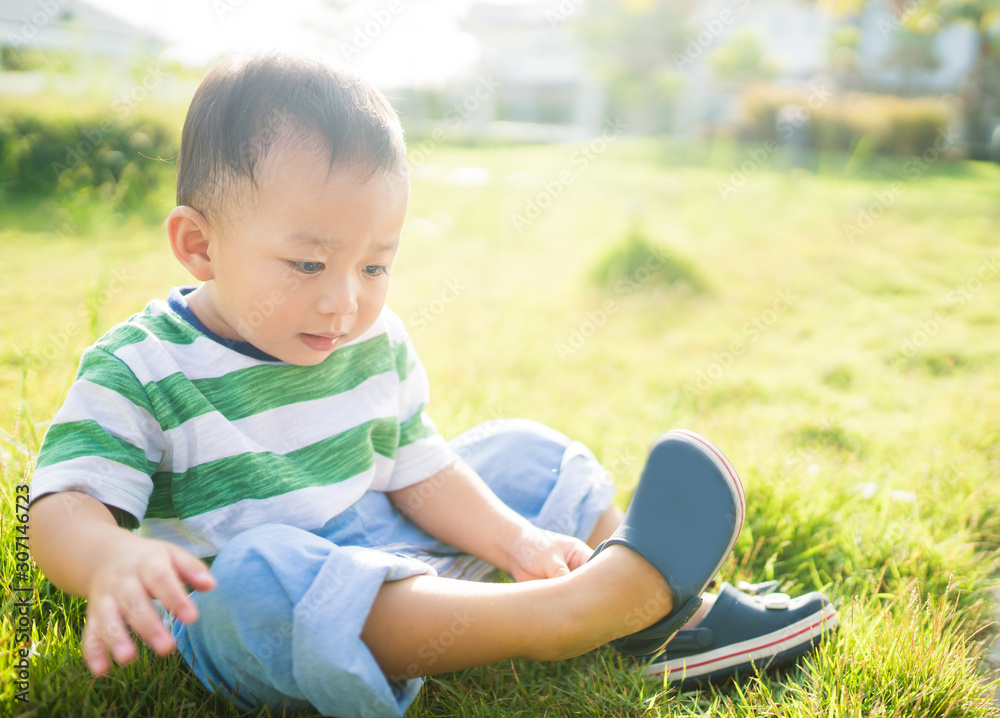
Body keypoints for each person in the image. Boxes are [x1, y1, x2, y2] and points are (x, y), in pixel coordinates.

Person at [28, 53, 837, 718]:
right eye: (307, 264)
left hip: (399, 562)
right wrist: (107, 561)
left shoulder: (368, 340)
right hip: (272, 617)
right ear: (199, 245)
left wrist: (514, 541)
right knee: (251, 576)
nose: (344, 300)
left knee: (518, 451)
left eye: (376, 264)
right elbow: (63, 504)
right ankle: (565, 616)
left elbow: (419, 471)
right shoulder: (141, 366)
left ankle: (652, 617)